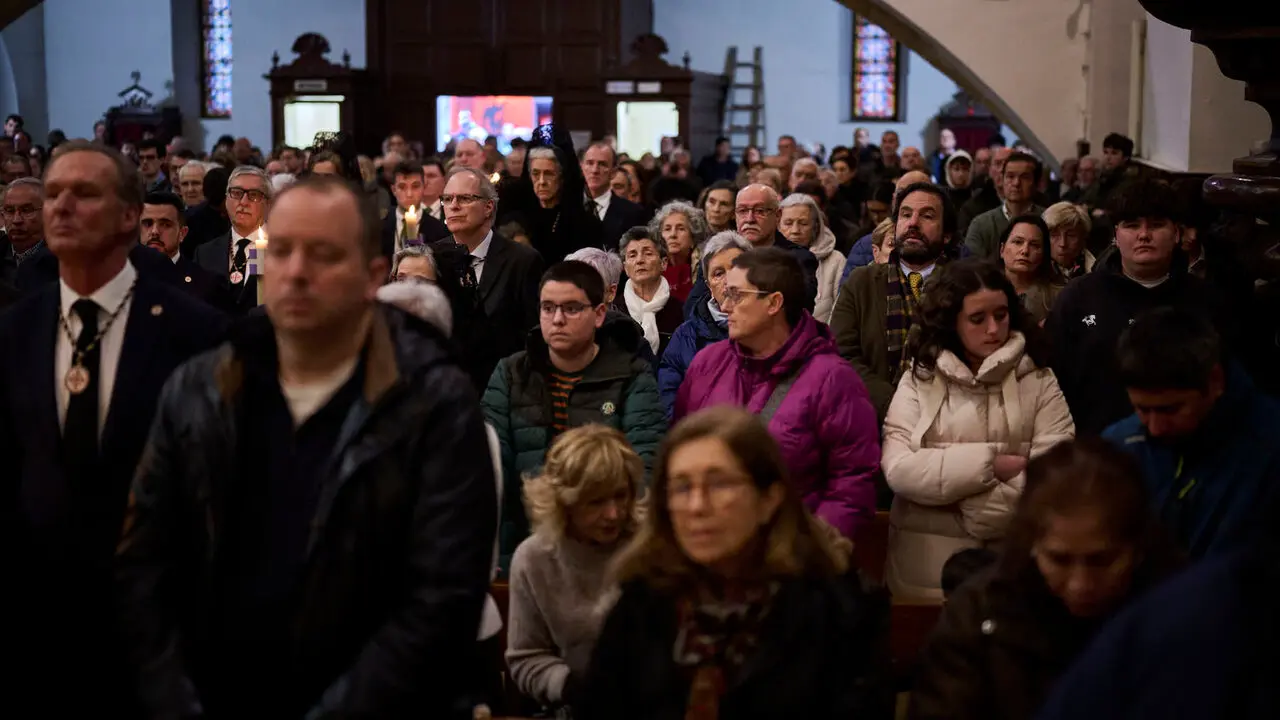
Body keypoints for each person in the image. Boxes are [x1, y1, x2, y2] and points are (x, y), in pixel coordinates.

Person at [115, 175, 498, 717]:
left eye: (322, 254)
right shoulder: (203, 386)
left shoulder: (432, 400)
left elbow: (442, 598)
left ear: (371, 276)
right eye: (284, 250)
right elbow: (145, 563)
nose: (295, 272)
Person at [0, 140, 227, 715]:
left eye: (84, 193)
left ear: (130, 216)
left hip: (160, 630)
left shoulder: (194, 331)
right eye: (52, 194)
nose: (60, 207)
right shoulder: (15, 331)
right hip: (37, 626)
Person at [578, 406, 891, 720]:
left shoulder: (836, 611)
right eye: (682, 487)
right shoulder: (641, 604)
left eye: (719, 484)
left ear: (769, 499)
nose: (697, 506)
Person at [908, 439, 1180, 720]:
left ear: (1137, 549)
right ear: (1032, 544)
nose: (1080, 584)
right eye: (1059, 560)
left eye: (1101, 561)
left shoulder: (1183, 614)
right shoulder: (980, 613)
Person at [881, 258, 1074, 600]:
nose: (993, 329)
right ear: (949, 321)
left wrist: (983, 513)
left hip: (1012, 563)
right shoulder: (919, 378)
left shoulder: (1039, 378)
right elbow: (900, 469)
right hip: (924, 572)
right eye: (977, 318)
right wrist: (992, 465)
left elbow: (1055, 473)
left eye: (1001, 315)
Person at [675, 248, 880, 539]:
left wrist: (810, 553)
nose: (725, 305)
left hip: (792, 560)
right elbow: (680, 449)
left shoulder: (834, 379)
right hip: (710, 547)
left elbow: (852, 484)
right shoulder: (707, 363)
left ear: (774, 302)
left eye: (737, 294)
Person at [483, 261, 665, 569]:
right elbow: (490, 463)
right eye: (548, 308)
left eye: (571, 309)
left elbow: (644, 468)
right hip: (520, 544)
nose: (557, 320)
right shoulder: (512, 374)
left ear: (598, 315)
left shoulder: (631, 376)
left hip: (606, 546)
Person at [1045, 178, 1225, 435]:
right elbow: (1053, 386)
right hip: (1097, 451)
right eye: (1132, 225)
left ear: (1176, 233)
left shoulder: (1205, 300)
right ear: (1116, 236)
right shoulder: (1078, 298)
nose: (1144, 234)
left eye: (1156, 225)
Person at [1103, 307, 1280, 558]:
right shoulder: (1120, 446)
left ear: (1215, 381)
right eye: (1142, 409)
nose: (1154, 427)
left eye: (1170, 409)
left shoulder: (1269, 447)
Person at [506, 425, 644, 714]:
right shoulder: (534, 559)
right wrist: (571, 686)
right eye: (596, 502)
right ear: (564, 503)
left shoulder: (649, 546)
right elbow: (526, 657)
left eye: (620, 496)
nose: (614, 513)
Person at [831, 181, 958, 420]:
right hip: (872, 415)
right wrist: (894, 403)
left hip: (949, 415)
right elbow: (841, 354)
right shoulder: (862, 282)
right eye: (906, 214)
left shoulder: (966, 285)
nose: (913, 223)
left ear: (947, 235)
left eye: (927, 216)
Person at [657, 231, 751, 418]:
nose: (727, 281)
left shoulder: (774, 327)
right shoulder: (685, 337)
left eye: (735, 269)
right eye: (718, 274)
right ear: (708, 285)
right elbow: (670, 403)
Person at [193, 165, 271, 316]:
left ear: (268, 203)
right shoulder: (204, 253)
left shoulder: (281, 252)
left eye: (253, 195)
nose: (243, 202)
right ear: (226, 199)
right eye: (236, 193)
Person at [140, 191, 225, 307]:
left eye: (165, 224)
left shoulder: (206, 284)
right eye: (147, 223)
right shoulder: (121, 280)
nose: (154, 231)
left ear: (182, 233)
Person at [615, 226, 684, 357]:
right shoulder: (614, 311)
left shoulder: (681, 311)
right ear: (625, 268)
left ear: (663, 263)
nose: (640, 260)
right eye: (632, 255)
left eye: (648, 253)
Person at [779, 193, 845, 323]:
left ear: (815, 226)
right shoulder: (767, 259)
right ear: (778, 225)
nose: (795, 230)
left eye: (803, 223)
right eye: (788, 223)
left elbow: (842, 310)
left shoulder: (836, 260)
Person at [997, 214, 1063, 324]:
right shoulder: (982, 290)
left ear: (1044, 255)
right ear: (1002, 250)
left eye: (1034, 245)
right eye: (1018, 242)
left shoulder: (1059, 297)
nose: (1025, 251)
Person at [650, 200, 708, 304]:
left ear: (693, 237)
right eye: (667, 229)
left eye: (681, 229)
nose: (673, 234)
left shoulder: (704, 267)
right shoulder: (651, 268)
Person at [1042, 201, 1094, 278]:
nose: (1063, 244)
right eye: (1054, 235)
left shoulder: (1097, 271)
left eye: (1071, 235)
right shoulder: (1031, 271)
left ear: (1083, 238)